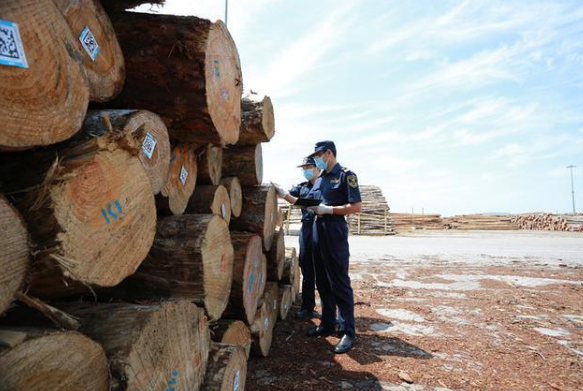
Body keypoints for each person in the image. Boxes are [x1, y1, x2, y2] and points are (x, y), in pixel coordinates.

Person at [306, 140, 362, 354]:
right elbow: (310, 200)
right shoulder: (320, 178)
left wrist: (329, 211)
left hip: (334, 229)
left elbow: (356, 206)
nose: (316, 159)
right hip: (317, 230)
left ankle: (348, 331)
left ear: (329, 153)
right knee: (322, 279)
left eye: (319, 155)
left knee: (339, 281)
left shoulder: (346, 175)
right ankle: (328, 322)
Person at [274, 156, 320, 319]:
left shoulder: (326, 185)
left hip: (323, 228)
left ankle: (330, 311)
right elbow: (284, 194)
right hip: (307, 229)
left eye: (309, 167)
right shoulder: (302, 188)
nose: (306, 170)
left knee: (325, 272)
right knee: (307, 269)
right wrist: (273, 188)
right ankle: (308, 307)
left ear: (318, 168)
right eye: (304, 168)